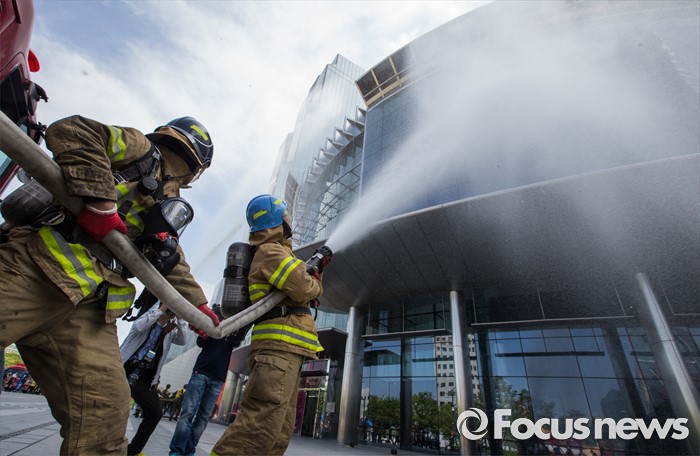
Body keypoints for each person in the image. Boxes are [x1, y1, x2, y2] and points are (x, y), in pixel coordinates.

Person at [0, 115, 220, 454]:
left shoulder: (168, 199)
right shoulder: (141, 149)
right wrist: (101, 202)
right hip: (36, 270)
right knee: (102, 419)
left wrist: (198, 306)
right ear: (198, 170)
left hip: (89, 310)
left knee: (104, 414)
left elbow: (170, 257)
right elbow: (73, 130)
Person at [211, 194, 330, 456]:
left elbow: (299, 287)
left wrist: (313, 274)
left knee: (278, 431)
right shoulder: (270, 251)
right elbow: (303, 287)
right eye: (287, 216)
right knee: (257, 427)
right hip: (278, 350)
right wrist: (315, 281)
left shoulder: (275, 252)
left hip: (285, 351)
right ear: (276, 220)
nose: (290, 221)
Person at [120, 303, 187, 455]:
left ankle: (133, 451)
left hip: (145, 378)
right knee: (115, 409)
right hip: (125, 370)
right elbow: (138, 326)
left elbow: (183, 340)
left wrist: (181, 317)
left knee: (155, 413)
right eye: (169, 310)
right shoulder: (146, 323)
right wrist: (161, 309)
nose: (170, 313)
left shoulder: (169, 332)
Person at [169, 318, 240, 456]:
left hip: (218, 379)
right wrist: (210, 329)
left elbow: (236, 343)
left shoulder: (233, 331)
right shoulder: (211, 326)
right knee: (188, 412)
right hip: (200, 373)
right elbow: (200, 343)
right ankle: (176, 451)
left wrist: (231, 328)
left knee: (203, 418)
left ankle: (189, 450)